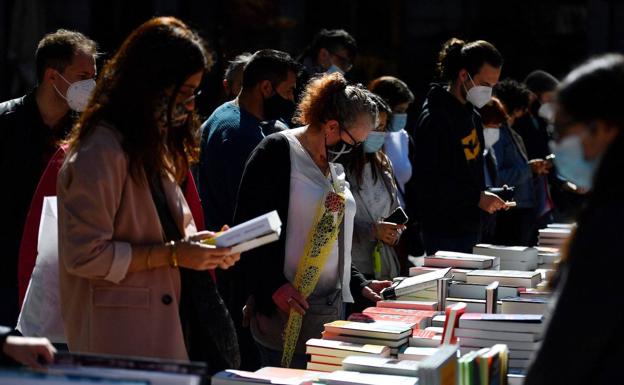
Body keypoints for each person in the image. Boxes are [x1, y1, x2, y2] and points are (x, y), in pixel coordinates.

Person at [57, 17, 240, 370]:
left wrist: (202, 248)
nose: (189, 106)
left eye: (193, 94)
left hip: (169, 332)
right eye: (183, 93)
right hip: (122, 345)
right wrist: (174, 254)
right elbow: (84, 256)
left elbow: (166, 235)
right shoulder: (101, 151)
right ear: (150, 85)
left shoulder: (149, 144)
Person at [234, 73, 391, 369]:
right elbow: (247, 231)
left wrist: (358, 284)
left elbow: (327, 238)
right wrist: (273, 286)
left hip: (327, 312)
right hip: (283, 313)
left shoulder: (332, 165)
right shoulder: (277, 153)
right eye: (353, 141)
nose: (355, 149)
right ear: (332, 126)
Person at [525, 54, 624, 385]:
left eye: (562, 128)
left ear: (603, 129)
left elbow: (565, 354)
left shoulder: (610, 225)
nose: (555, 145)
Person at [0, 29, 97, 327]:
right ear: (53, 76)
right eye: (83, 76)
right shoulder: (6, 123)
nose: (91, 85)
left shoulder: (89, 132)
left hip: (63, 269)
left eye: (93, 76)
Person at [412, 38, 507, 255]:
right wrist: (477, 198)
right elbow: (429, 182)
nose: (489, 93)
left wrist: (484, 194)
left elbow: (468, 173)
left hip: (471, 226)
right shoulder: (435, 118)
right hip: (443, 230)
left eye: (493, 86)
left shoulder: (472, 116)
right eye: (485, 85)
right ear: (464, 75)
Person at [346, 93, 404, 284]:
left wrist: (394, 232)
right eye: (375, 127)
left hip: (382, 267)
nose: (380, 133)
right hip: (352, 269)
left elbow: (394, 207)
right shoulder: (340, 167)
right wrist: (373, 231)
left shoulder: (383, 162)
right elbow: (334, 223)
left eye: (383, 128)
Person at [369, 75, 423, 267]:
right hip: (369, 226)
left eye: (405, 111)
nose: (402, 116)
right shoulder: (367, 139)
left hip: (398, 227)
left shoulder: (404, 138)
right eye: (398, 111)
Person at [491, 79, 541, 246]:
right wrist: (528, 169)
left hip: (521, 209)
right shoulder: (497, 135)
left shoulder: (511, 133)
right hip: (510, 212)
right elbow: (496, 177)